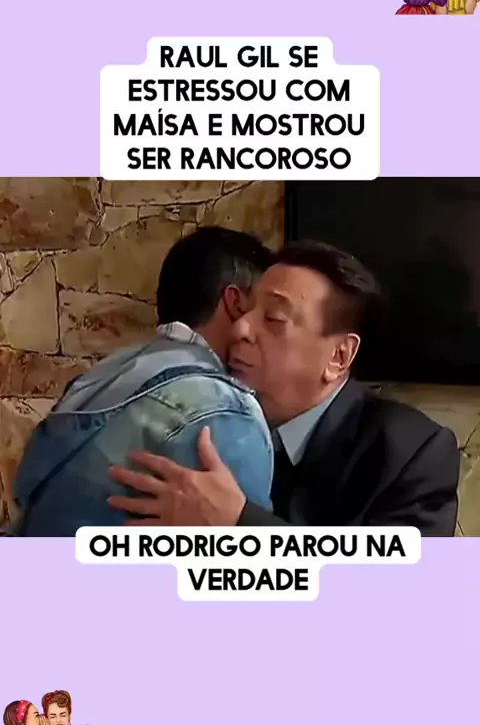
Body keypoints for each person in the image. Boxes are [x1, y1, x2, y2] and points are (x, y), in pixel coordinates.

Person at [109, 241, 460, 535]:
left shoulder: (410, 454)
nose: (240, 329)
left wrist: (240, 525)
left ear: (338, 356)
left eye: (273, 318)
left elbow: (401, 592)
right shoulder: (199, 421)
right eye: (245, 310)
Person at [12, 227, 274, 536]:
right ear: (236, 302)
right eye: (268, 313)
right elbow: (249, 560)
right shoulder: (227, 411)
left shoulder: (106, 372)